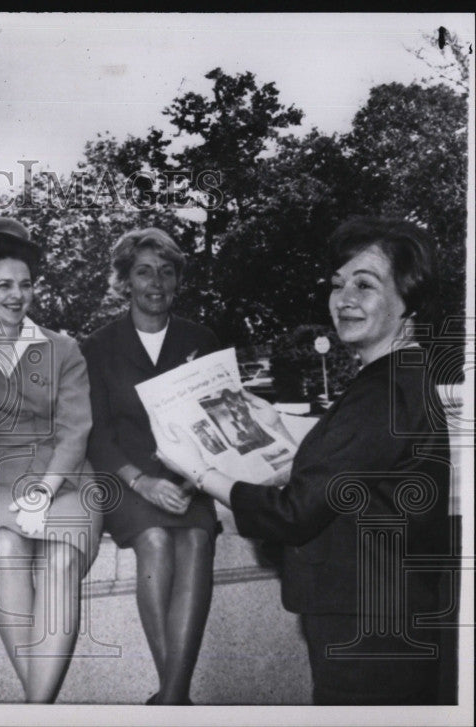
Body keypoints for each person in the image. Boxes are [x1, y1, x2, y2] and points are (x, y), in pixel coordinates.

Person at [153, 218, 451, 705]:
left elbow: (294, 513)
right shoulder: (402, 376)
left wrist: (200, 472)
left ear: (410, 301)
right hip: (384, 615)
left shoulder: (384, 391)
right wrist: (278, 424)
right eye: (338, 284)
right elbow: (356, 461)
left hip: (364, 628)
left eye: (365, 284)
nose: (344, 298)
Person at [0, 218, 101, 703]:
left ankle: (34, 710)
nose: (17, 295)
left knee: (61, 562)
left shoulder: (62, 349)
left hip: (66, 478)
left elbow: (75, 429)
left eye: (25, 284)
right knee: (3, 551)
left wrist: (45, 489)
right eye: (4, 285)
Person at [81, 228, 219, 705]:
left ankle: (170, 700)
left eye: (166, 271)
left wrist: (187, 479)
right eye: (143, 271)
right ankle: (179, 700)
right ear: (126, 281)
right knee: (156, 542)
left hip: (191, 475)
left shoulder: (202, 339)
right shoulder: (96, 346)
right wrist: (142, 482)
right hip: (125, 477)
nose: (155, 282)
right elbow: (96, 433)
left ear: (178, 280)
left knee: (198, 538)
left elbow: (219, 424)